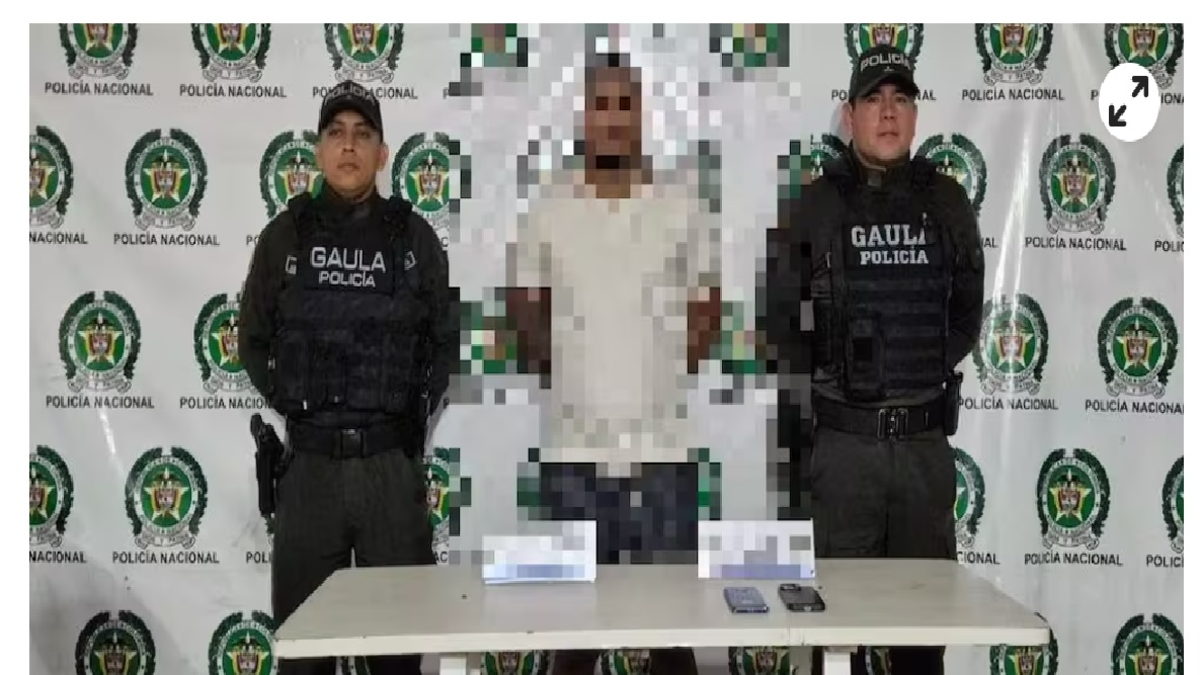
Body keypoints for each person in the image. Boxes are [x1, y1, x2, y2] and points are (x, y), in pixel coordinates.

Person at [762, 45, 985, 675]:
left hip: (921, 452)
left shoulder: (947, 202)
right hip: (846, 452)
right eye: (873, 99)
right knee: (836, 636)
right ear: (850, 115)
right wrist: (841, 377)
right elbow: (780, 323)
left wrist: (905, 372)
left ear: (914, 115)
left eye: (900, 99)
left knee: (924, 638)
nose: (888, 112)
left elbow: (965, 316)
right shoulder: (813, 207)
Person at [504, 52, 722, 675]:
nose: (613, 118)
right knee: (573, 642)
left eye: (625, 105)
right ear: (584, 116)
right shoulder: (550, 206)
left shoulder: (681, 203)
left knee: (672, 640)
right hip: (575, 458)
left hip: (663, 457)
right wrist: (570, 375)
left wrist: (658, 375)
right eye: (602, 104)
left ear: (641, 115)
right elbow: (524, 303)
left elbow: (706, 306)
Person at [238, 80, 457, 675]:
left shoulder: (414, 239)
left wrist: (410, 413)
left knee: (397, 658)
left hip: (390, 471)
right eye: (335, 133)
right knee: (305, 656)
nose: (349, 145)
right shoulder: (284, 238)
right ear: (318, 150)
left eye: (362, 134)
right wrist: (295, 398)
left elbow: (445, 340)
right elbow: (252, 339)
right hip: (310, 472)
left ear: (382, 154)